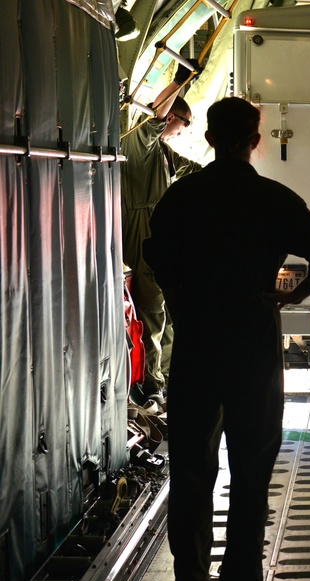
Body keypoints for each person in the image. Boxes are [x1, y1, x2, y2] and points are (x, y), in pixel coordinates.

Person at [143, 96, 310, 581]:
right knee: (251, 471)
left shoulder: (183, 196)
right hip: (253, 343)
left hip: (197, 343)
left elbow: (154, 254)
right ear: (254, 140)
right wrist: (286, 299)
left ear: (208, 138)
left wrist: (181, 297)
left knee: (189, 468)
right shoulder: (272, 198)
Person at [121, 65, 202, 408]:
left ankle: (167, 378)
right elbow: (155, 116)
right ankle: (151, 383)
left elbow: (196, 173)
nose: (184, 133)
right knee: (152, 311)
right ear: (173, 118)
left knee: (165, 314)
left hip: (160, 235)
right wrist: (180, 80)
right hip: (141, 231)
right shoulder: (139, 143)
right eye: (184, 125)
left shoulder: (165, 156)